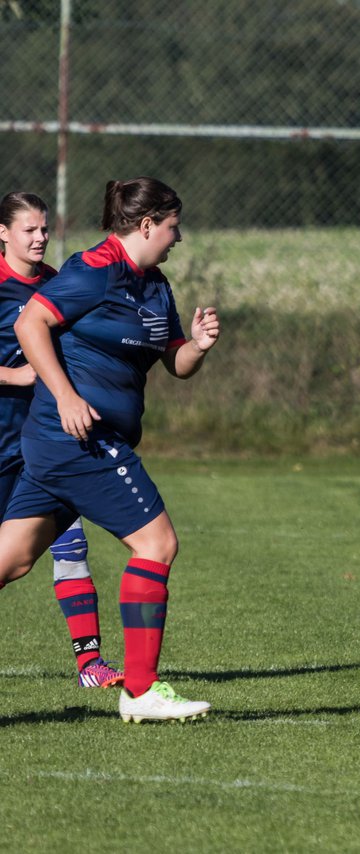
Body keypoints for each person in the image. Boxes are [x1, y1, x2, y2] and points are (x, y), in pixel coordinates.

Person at [0, 177, 221, 722]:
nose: (178, 236)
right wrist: (67, 395)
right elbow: (32, 323)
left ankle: (139, 688)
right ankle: (141, 690)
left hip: (63, 446)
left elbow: (175, 363)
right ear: (147, 225)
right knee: (157, 543)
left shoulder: (154, 285)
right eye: (173, 226)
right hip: (78, 439)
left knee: (12, 559)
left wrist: (196, 345)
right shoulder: (93, 270)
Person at [0, 191, 123, 689]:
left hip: (43, 446)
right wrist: (16, 377)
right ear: (3, 233)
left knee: (70, 546)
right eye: (28, 229)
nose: (39, 238)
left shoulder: (55, 285)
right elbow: (28, 371)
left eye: (44, 229)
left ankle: (90, 665)